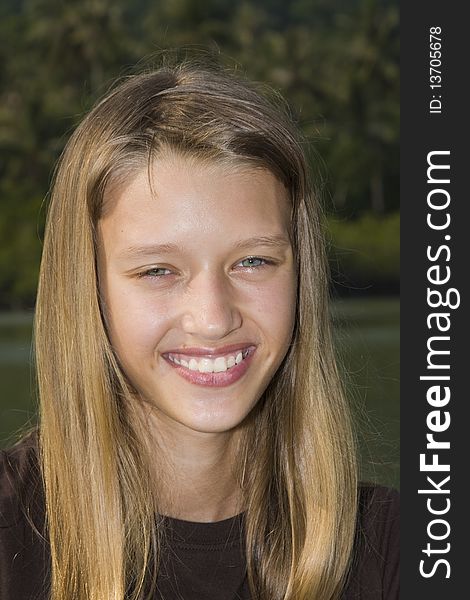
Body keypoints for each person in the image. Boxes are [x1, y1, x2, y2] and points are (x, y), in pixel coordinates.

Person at [0, 60, 399, 600]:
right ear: (88, 288)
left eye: (253, 262)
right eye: (158, 271)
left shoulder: (400, 550)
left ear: (300, 271)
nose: (213, 319)